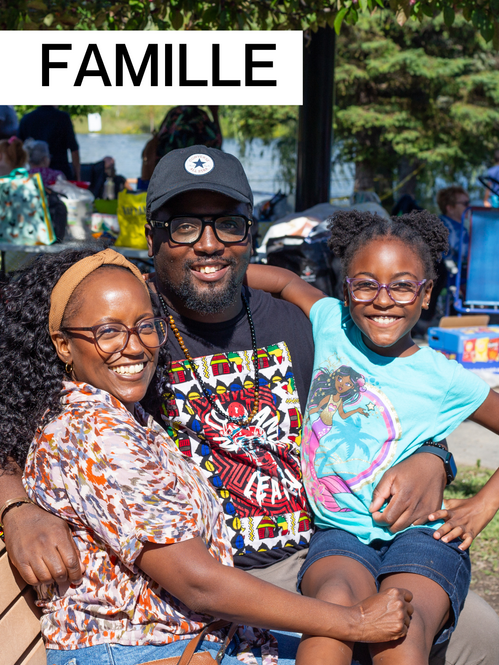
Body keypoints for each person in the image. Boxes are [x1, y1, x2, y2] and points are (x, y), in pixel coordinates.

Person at [2, 146, 499, 665]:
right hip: (220, 578)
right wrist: (15, 505)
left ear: (250, 236)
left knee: (483, 637)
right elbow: (19, 399)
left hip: (324, 548)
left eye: (228, 224)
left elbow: (396, 391)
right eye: (184, 227)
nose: (208, 244)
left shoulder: (302, 321)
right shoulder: (124, 330)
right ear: (152, 239)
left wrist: (433, 456)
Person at [0, 247, 413, 664]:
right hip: (143, 651)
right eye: (108, 331)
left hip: (192, 640)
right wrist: (355, 621)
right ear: (63, 345)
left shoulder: (114, 411)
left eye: (145, 326)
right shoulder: (96, 432)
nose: (135, 346)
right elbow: (199, 585)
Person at [245, 209, 499, 664]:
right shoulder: (331, 322)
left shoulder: (444, 378)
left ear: (426, 294)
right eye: (366, 285)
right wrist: (175, 278)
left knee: (401, 633)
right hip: (339, 534)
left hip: (422, 536)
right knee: (331, 612)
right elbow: (284, 281)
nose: (383, 300)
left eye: (402, 286)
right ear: (346, 291)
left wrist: (483, 505)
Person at [18, 106, 81, 181]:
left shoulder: (26, 119)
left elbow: (18, 149)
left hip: (32, 177)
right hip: (60, 176)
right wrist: (77, 176)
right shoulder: (63, 118)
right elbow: (74, 150)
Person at [436, 186, 470, 265]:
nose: (469, 206)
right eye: (465, 204)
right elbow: (468, 253)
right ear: (450, 208)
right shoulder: (452, 228)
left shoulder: (440, 223)